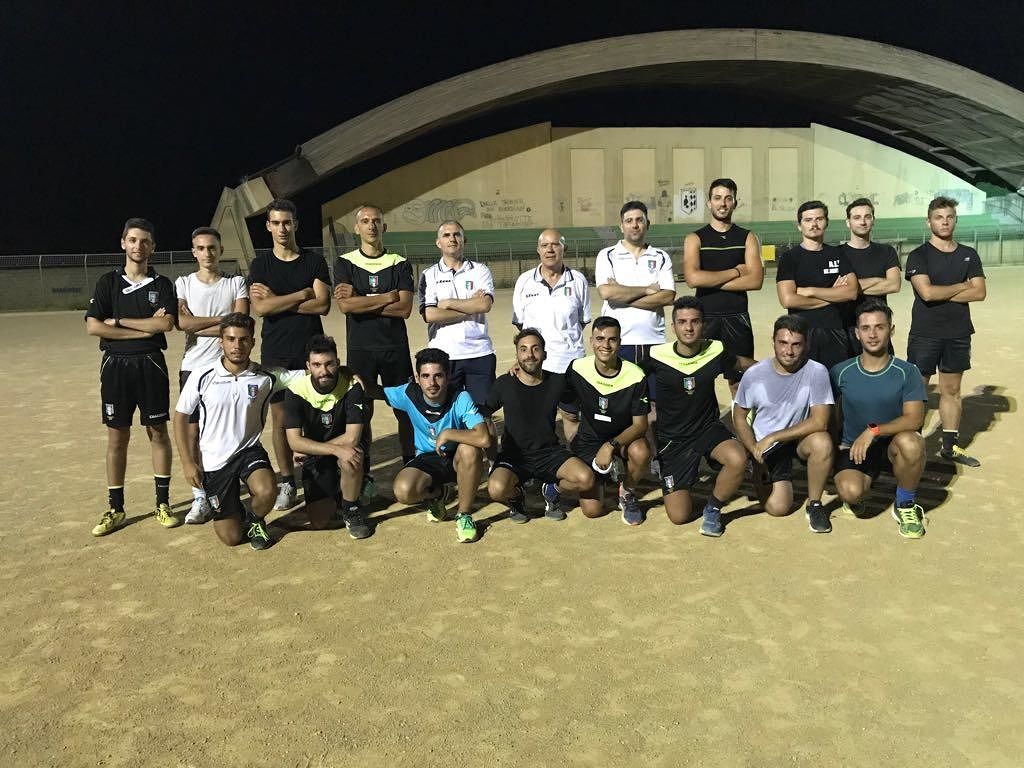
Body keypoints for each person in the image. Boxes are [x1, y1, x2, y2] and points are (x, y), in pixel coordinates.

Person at [172, 313, 302, 550]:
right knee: (231, 538)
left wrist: (346, 373)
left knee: (267, 491)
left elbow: (309, 375)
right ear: (220, 342)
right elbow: (180, 418)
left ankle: (255, 521)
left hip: (248, 451)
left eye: (243, 340)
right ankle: (236, 512)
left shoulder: (266, 377)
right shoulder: (201, 376)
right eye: (231, 339)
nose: (237, 346)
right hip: (214, 461)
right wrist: (188, 463)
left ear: (253, 342)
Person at [85, 217, 181, 536]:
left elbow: (165, 325)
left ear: (153, 247)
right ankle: (116, 508)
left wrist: (118, 322)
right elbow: (93, 326)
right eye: (133, 240)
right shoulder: (108, 282)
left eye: (145, 241)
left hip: (151, 364)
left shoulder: (162, 284)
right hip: (115, 366)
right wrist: (142, 330)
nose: (138, 246)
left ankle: (162, 504)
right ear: (123, 243)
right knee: (117, 437)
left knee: (158, 432)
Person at [639, 297, 749, 535]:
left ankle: (713, 507)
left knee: (738, 459)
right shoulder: (656, 355)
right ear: (673, 327)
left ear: (703, 325)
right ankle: (680, 478)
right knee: (679, 516)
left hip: (707, 429)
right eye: (682, 322)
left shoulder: (715, 349)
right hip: (673, 440)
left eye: (695, 321)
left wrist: (774, 367)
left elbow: (740, 363)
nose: (688, 328)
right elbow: (628, 376)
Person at [248, 199, 331, 511]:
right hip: (276, 353)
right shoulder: (260, 265)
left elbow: (322, 304)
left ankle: (317, 476)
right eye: (276, 223)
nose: (282, 228)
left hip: (311, 351)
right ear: (268, 226)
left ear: (295, 224)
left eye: (287, 222)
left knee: (316, 415)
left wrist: (278, 300)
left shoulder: (314, 261)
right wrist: (300, 294)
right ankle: (287, 481)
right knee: (281, 419)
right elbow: (261, 308)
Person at [832, 299, 928, 538]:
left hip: (893, 446)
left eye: (879, 327)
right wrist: (834, 446)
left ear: (891, 330)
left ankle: (905, 504)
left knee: (912, 443)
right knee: (850, 493)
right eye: (865, 328)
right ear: (856, 333)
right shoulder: (841, 371)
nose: (872, 335)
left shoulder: (907, 372)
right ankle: (862, 485)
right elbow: (827, 414)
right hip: (855, 448)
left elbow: (915, 419)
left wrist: (873, 430)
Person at [732, 315, 835, 533]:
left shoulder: (817, 371)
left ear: (806, 345)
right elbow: (739, 416)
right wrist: (754, 449)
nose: (789, 351)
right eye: (783, 343)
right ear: (773, 342)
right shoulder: (755, 374)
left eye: (796, 344)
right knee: (778, 508)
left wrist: (775, 436)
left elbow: (820, 421)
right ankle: (758, 471)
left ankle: (815, 505)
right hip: (766, 446)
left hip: (797, 439)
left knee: (822, 442)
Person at [376, 348, 491, 543]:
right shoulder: (408, 393)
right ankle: (438, 494)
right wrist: (349, 376)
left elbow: (484, 438)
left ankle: (464, 515)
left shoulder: (460, 397)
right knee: (403, 491)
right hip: (427, 458)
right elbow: (375, 391)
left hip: (457, 458)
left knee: (470, 449)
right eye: (426, 376)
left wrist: (448, 433)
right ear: (417, 378)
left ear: (448, 376)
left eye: (438, 376)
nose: (432, 383)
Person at [904, 196, 987, 467]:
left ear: (955, 220)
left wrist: (944, 291)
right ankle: (911, 445)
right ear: (928, 222)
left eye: (949, 217)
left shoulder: (968, 254)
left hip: (958, 332)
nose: (945, 222)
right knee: (918, 390)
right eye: (939, 217)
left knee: (952, 390)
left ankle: (950, 447)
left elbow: (980, 292)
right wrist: (961, 286)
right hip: (925, 333)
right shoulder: (918, 255)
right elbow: (927, 293)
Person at [333, 204, 416, 473]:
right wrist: (386, 297)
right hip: (361, 350)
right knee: (361, 412)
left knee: (405, 410)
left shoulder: (399, 262)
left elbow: (404, 309)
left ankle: (411, 463)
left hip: (395, 348)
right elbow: (345, 306)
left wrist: (361, 301)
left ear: (384, 227)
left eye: (376, 221)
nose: (371, 225)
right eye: (365, 221)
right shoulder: (345, 263)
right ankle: (365, 472)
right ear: (356, 228)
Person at [174, 226, 249, 524]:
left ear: (221, 250)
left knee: (227, 429)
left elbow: (241, 321)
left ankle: (228, 482)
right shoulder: (183, 283)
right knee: (193, 433)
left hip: (227, 367)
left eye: (212, 247)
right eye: (201, 248)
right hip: (193, 366)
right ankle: (200, 497)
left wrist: (201, 324)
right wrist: (223, 322)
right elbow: (183, 323)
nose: (208, 253)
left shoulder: (235, 282)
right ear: (194, 252)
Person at [485, 329, 595, 523]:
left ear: (545, 354)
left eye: (535, 349)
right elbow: (484, 413)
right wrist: (491, 456)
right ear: (517, 355)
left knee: (586, 478)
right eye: (523, 349)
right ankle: (516, 497)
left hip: (549, 453)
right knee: (496, 489)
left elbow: (583, 391)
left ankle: (552, 490)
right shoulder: (504, 383)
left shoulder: (557, 382)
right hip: (514, 455)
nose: (529, 355)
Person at [282, 335, 371, 540]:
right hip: (318, 455)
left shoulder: (352, 386)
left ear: (337, 363)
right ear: (308, 366)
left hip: (332, 450)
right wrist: (329, 449)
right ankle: (343, 489)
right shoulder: (296, 391)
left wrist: (313, 449)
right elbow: (294, 441)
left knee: (351, 455)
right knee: (319, 520)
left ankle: (351, 508)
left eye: (329, 363)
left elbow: (352, 438)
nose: (324, 370)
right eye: (317, 365)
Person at [566, 317, 651, 524]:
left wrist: (610, 446)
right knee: (592, 511)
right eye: (600, 339)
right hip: (589, 440)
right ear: (591, 341)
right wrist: (521, 368)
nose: (606, 345)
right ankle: (603, 474)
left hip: (622, 439)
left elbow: (640, 425)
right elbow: (552, 389)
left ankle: (627, 491)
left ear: (620, 343)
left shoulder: (635, 375)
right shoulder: (577, 368)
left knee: (641, 451)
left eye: (612, 339)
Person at [682, 178, 764, 391]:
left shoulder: (747, 237)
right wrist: (735, 272)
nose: (723, 203)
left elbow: (755, 280)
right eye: (717, 198)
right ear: (709, 203)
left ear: (735, 202)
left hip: (737, 317)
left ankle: (740, 415)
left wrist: (709, 280)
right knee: (700, 381)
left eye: (728, 198)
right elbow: (692, 279)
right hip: (705, 317)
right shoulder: (695, 238)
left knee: (739, 382)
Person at [511, 228, 591, 442]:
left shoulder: (578, 280)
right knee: (536, 417)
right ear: (538, 250)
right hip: (535, 364)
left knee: (571, 416)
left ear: (564, 249)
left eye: (555, 244)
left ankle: (576, 457)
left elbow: (582, 320)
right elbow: (521, 324)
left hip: (569, 362)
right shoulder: (524, 281)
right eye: (545, 245)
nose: (550, 249)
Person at [776, 201, 859, 371]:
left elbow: (851, 292)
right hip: (801, 333)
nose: (814, 224)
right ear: (799, 225)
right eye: (808, 220)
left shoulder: (837, 253)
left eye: (819, 219)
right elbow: (788, 300)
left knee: (835, 383)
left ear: (826, 222)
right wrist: (833, 295)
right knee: (803, 383)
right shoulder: (789, 258)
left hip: (835, 331)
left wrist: (811, 291)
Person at [840, 197, 901, 355]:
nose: (863, 222)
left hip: (879, 328)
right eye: (857, 217)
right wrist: (878, 281)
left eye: (867, 217)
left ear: (873, 220)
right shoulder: (836, 253)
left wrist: (851, 288)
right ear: (848, 222)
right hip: (847, 328)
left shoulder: (886, 251)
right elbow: (835, 289)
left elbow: (894, 285)